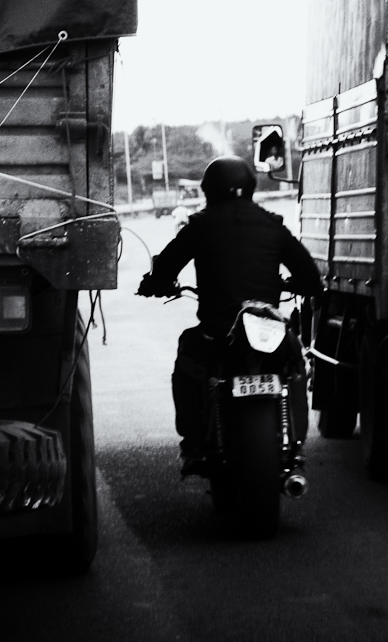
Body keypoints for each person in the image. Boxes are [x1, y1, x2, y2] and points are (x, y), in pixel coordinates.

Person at [137, 155, 325, 476]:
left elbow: (165, 268)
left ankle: (195, 443)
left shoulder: (199, 226)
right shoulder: (273, 225)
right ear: (251, 187)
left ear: (208, 189)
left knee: (188, 357)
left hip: (218, 333)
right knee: (295, 364)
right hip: (269, 330)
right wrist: (291, 284)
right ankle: (294, 444)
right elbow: (311, 278)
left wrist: (154, 285)